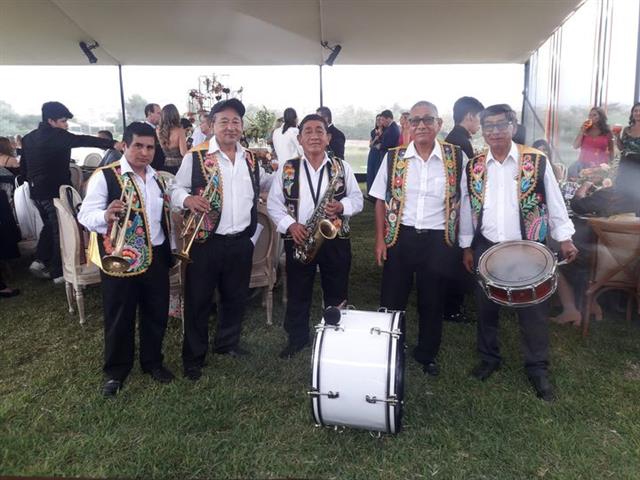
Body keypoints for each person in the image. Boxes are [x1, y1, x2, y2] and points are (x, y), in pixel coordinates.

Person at [460, 104, 578, 402]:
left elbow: (554, 200)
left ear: (513, 127)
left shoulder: (535, 160)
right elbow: (466, 206)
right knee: (486, 308)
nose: (495, 132)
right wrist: (466, 246)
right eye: (489, 126)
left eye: (502, 125)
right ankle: (489, 358)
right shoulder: (474, 165)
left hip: (528, 247)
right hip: (487, 245)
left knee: (533, 310)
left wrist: (564, 238)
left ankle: (537, 367)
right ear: (483, 130)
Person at [171, 98, 273, 381]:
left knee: (235, 297)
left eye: (236, 122)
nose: (230, 127)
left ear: (242, 126)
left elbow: (265, 183)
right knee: (198, 300)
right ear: (212, 125)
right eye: (224, 121)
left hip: (241, 240)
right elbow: (174, 188)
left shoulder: (250, 158)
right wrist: (188, 198)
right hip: (205, 242)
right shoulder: (196, 156)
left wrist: (291, 175)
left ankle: (227, 344)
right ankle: (194, 357)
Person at [370, 101, 466, 376]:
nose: (421, 125)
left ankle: (427, 354)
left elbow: (467, 201)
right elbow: (379, 201)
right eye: (415, 120)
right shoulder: (394, 157)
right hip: (400, 236)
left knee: (432, 300)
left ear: (439, 124)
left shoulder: (456, 158)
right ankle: (390, 351)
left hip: (439, 240)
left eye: (427, 119)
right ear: (408, 125)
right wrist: (379, 240)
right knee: (392, 298)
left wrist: (464, 242)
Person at [78, 122, 175, 397]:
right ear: (124, 145)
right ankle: (116, 371)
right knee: (119, 315)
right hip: (120, 259)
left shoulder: (157, 178)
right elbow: (85, 215)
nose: (144, 152)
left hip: (155, 255)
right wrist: (105, 216)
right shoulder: (106, 176)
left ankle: (153, 362)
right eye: (138, 146)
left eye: (150, 147)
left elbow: (162, 217)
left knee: (156, 312)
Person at [268, 113, 363, 358]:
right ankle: (297, 338)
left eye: (319, 130)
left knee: (337, 290)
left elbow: (357, 199)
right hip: (300, 237)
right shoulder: (287, 168)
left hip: (335, 239)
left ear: (328, 137)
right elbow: (273, 204)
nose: (314, 136)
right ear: (299, 138)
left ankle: (335, 336)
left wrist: (343, 207)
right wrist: (290, 226)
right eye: (308, 131)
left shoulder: (342, 167)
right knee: (299, 291)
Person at [21, 101, 118, 283]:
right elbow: (83, 140)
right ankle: (59, 272)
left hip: (35, 191)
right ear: (51, 120)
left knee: (49, 226)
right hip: (54, 190)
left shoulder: (27, 138)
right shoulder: (58, 136)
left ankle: (40, 260)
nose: (66, 125)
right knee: (61, 230)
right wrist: (112, 143)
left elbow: (23, 168)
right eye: (63, 121)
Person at [442, 96, 485, 323]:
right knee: (457, 258)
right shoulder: (459, 142)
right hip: (457, 210)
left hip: (454, 208)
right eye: (479, 119)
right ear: (469, 116)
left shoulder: (456, 138)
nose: (480, 124)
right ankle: (452, 307)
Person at [572, 107, 614, 173]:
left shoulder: (607, 132)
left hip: (600, 167)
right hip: (583, 165)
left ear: (601, 117)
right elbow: (575, 146)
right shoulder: (585, 130)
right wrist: (582, 131)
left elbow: (611, 150)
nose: (591, 117)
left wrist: (611, 165)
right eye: (590, 115)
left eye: (594, 115)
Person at [157, 104, 188, 174]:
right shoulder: (179, 130)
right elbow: (184, 153)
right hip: (179, 167)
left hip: (165, 165)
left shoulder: (158, 130)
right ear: (176, 115)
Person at [144, 103, 166, 171]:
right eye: (159, 113)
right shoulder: (144, 130)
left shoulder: (159, 129)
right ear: (150, 113)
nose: (161, 116)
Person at [366, 114, 384, 193]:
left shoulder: (386, 131)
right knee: (370, 172)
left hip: (380, 154)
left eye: (380, 119)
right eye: (377, 120)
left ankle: (377, 193)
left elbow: (382, 145)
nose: (378, 121)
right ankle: (370, 192)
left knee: (377, 173)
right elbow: (370, 145)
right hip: (372, 153)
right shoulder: (373, 131)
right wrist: (376, 138)